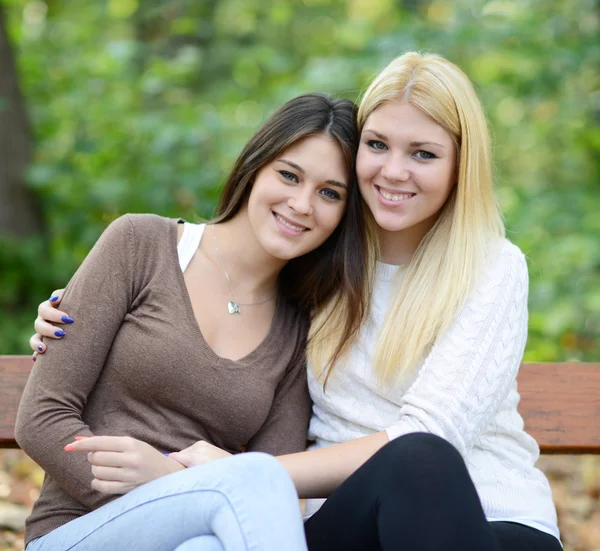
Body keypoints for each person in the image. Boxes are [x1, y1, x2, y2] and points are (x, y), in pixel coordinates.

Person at [31, 52, 562, 551]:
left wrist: (223, 481)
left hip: (466, 520)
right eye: (377, 146)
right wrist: (73, 308)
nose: (394, 171)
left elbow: (410, 437)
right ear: (255, 165)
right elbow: (48, 411)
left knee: (410, 462)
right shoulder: (301, 272)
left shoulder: (470, 268)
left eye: (422, 154)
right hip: (131, 520)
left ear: (458, 167)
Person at [16, 92, 366, 551]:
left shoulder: (298, 328)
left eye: (329, 193)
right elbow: (41, 418)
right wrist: (164, 486)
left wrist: (169, 476)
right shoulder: (139, 245)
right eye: (288, 175)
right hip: (77, 531)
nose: (302, 204)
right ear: (254, 167)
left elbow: (280, 483)